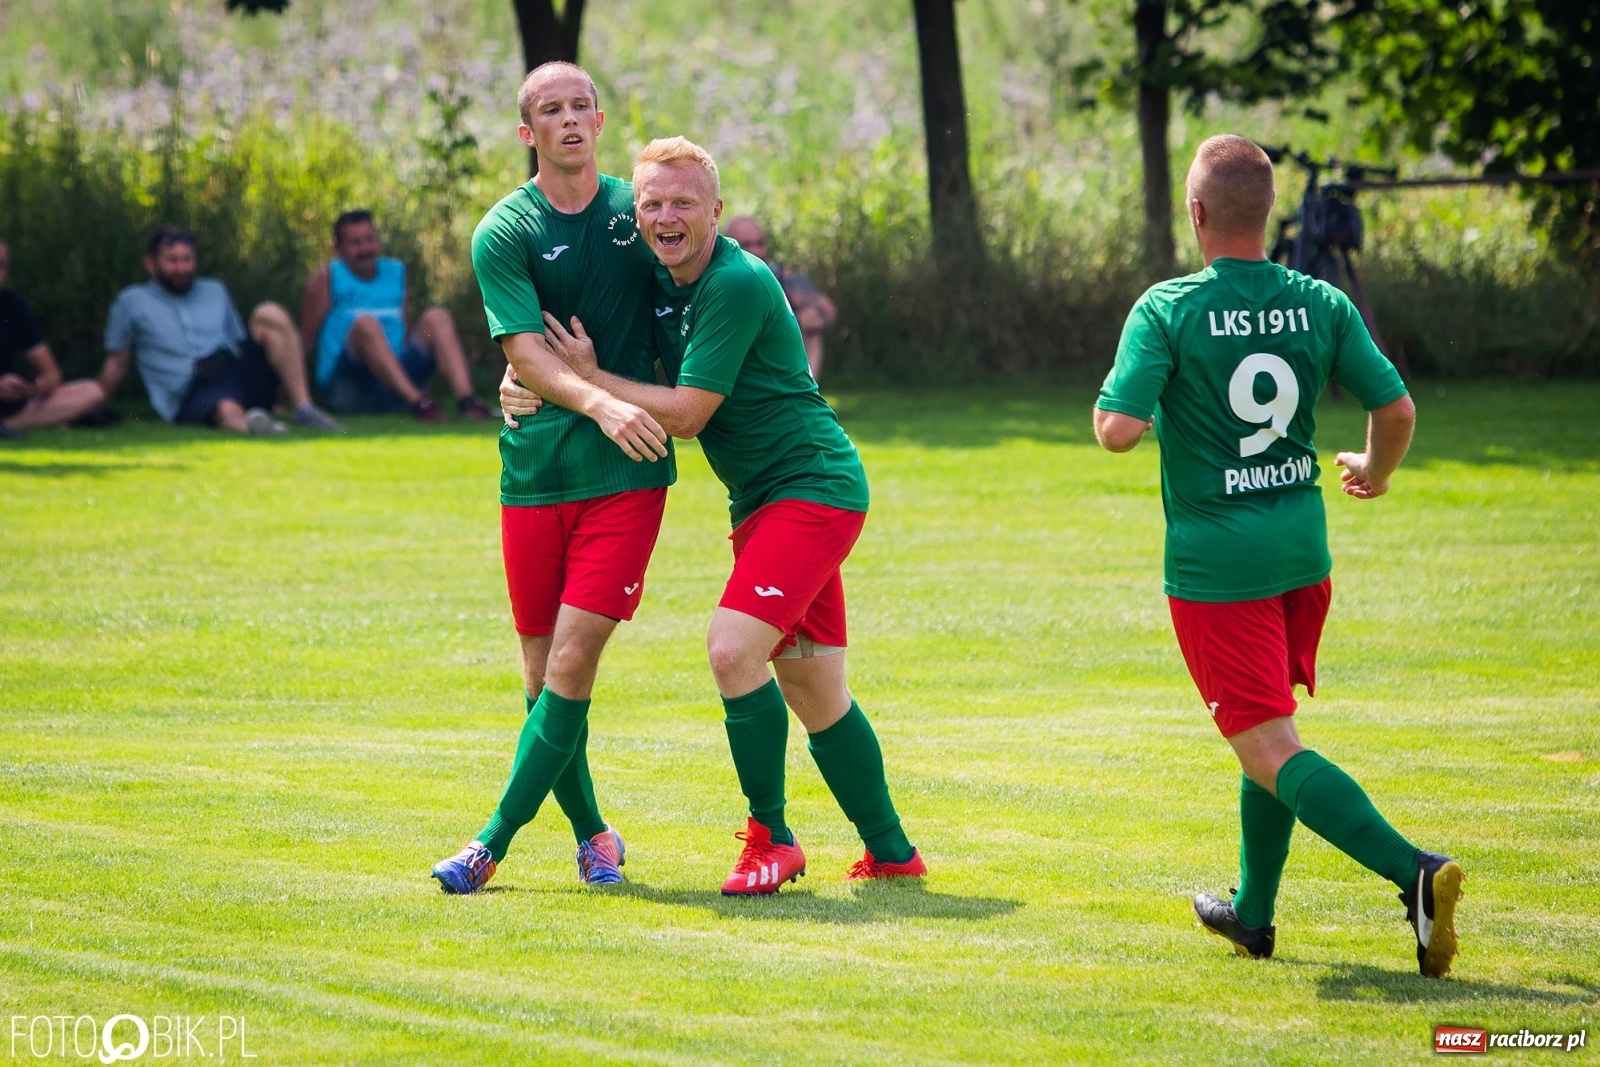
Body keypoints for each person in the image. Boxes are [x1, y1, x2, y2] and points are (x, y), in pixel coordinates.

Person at [1093, 134, 1462, 977]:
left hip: (1219, 570)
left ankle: (1417, 874)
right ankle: (1253, 913)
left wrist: (1133, 409)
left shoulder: (1168, 307)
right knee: (1268, 733)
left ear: (1196, 214)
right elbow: (1396, 410)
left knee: (1267, 747)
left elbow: (1116, 431)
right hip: (1302, 555)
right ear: (1266, 214)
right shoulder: (1320, 301)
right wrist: (1373, 469)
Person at [519, 137, 925, 894]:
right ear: (636, 214)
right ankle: (893, 850)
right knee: (813, 687)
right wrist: (525, 383)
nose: (666, 216)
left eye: (682, 203)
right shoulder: (659, 276)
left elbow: (690, 414)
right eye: (652, 203)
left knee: (732, 650)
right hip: (765, 501)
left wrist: (588, 377)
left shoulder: (735, 282)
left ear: (715, 210)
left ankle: (772, 838)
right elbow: (558, 331)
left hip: (812, 487)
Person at [427, 61, 676, 895]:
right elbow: (523, 352)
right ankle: (595, 834)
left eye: (581, 107)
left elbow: (698, 272)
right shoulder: (504, 229)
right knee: (542, 680)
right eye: (550, 111)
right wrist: (561, 389)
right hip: (532, 476)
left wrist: (614, 404)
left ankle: (488, 844)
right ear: (527, 133)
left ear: (600, 122)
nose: (569, 120)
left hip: (626, 470)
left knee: (570, 661)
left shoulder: (636, 213)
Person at [102, 227, 340, 434]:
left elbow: (240, 343)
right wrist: (98, 395)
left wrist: (274, 393)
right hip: (190, 389)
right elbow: (118, 361)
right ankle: (258, 429)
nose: (182, 268)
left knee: (270, 313)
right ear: (151, 264)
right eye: (172, 260)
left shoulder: (214, 290)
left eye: (187, 259)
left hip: (231, 370)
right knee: (225, 406)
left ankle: (304, 409)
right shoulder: (131, 302)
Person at [300, 210, 492, 423]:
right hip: (348, 385)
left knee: (437, 317)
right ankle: (420, 404)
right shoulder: (328, 276)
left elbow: (406, 329)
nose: (364, 249)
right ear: (338, 249)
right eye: (354, 243)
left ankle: (468, 402)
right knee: (366, 324)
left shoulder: (395, 272)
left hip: (394, 380)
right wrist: (295, 398)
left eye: (369, 240)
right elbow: (306, 339)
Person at [0, 239, 109, 436]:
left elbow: (51, 372)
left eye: (2, 265)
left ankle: (11, 423)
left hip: (13, 405)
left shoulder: (13, 305)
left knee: (93, 391)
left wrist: (38, 386)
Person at [724, 216, 836, 381]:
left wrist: (795, 322)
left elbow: (827, 309)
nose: (755, 251)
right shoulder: (714, 276)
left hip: (777, 354)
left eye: (760, 243)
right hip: (732, 355)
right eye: (746, 245)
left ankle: (805, 389)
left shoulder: (780, 276)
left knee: (813, 330)